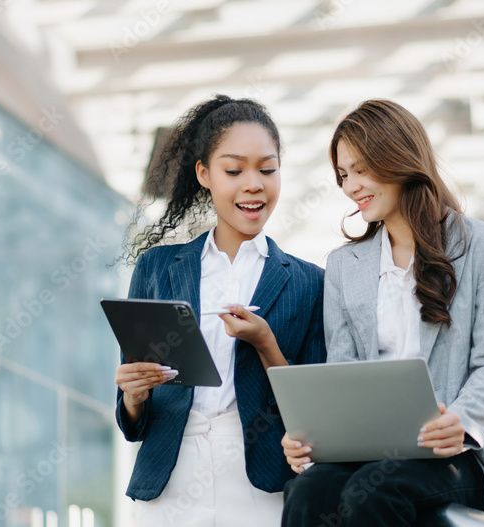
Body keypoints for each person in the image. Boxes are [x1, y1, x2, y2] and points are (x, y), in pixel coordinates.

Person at [280, 99, 484, 526]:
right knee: (307, 490)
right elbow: (342, 374)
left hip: (458, 453)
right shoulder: (344, 266)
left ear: (397, 157)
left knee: (378, 489)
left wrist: (460, 421)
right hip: (371, 449)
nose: (350, 186)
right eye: (343, 175)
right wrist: (312, 438)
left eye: (361, 169)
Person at [114, 94, 327, 527]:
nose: (254, 184)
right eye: (234, 170)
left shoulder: (311, 282)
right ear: (205, 175)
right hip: (167, 482)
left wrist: (266, 343)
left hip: (260, 483)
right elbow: (133, 422)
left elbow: (315, 416)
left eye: (267, 169)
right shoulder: (157, 267)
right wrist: (133, 396)